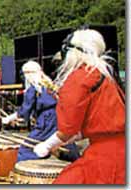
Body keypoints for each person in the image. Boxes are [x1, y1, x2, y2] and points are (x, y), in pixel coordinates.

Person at [33, 29, 125, 184]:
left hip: (105, 156)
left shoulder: (80, 77)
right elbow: (103, 120)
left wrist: (46, 146)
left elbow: (68, 128)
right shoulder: (106, 75)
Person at [2, 60, 80, 162]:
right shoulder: (50, 85)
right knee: (64, 141)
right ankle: (78, 163)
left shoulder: (33, 89)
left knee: (25, 150)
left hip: (46, 122)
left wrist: (8, 118)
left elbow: (24, 111)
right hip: (60, 118)